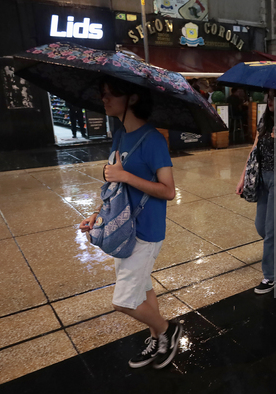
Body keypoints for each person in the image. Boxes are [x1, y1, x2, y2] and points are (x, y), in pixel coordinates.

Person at [79, 77, 181, 369]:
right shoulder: (120, 135)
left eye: (111, 94)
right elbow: (116, 188)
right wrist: (98, 214)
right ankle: (158, 338)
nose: (105, 99)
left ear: (132, 99)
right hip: (124, 229)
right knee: (144, 287)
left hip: (146, 231)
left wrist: (125, 176)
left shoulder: (153, 140)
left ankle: (166, 329)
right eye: (103, 94)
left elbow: (168, 190)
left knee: (123, 301)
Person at [236, 89, 276, 294]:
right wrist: (243, 176)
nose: (270, 100)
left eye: (275, 96)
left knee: (271, 232)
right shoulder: (264, 119)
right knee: (262, 227)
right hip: (264, 178)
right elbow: (254, 149)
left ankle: (270, 276)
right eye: (269, 96)